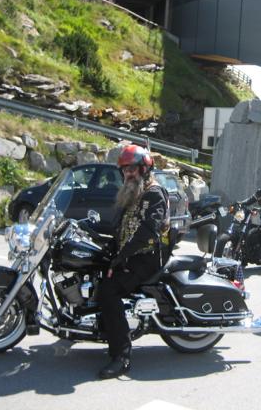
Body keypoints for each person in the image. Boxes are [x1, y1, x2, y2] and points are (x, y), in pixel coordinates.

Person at [97, 144, 169, 379]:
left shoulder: (153, 193)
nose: (128, 173)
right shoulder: (132, 191)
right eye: (125, 169)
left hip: (146, 257)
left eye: (132, 169)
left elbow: (147, 230)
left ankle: (122, 357)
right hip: (131, 253)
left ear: (144, 169)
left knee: (108, 291)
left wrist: (121, 257)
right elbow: (120, 227)